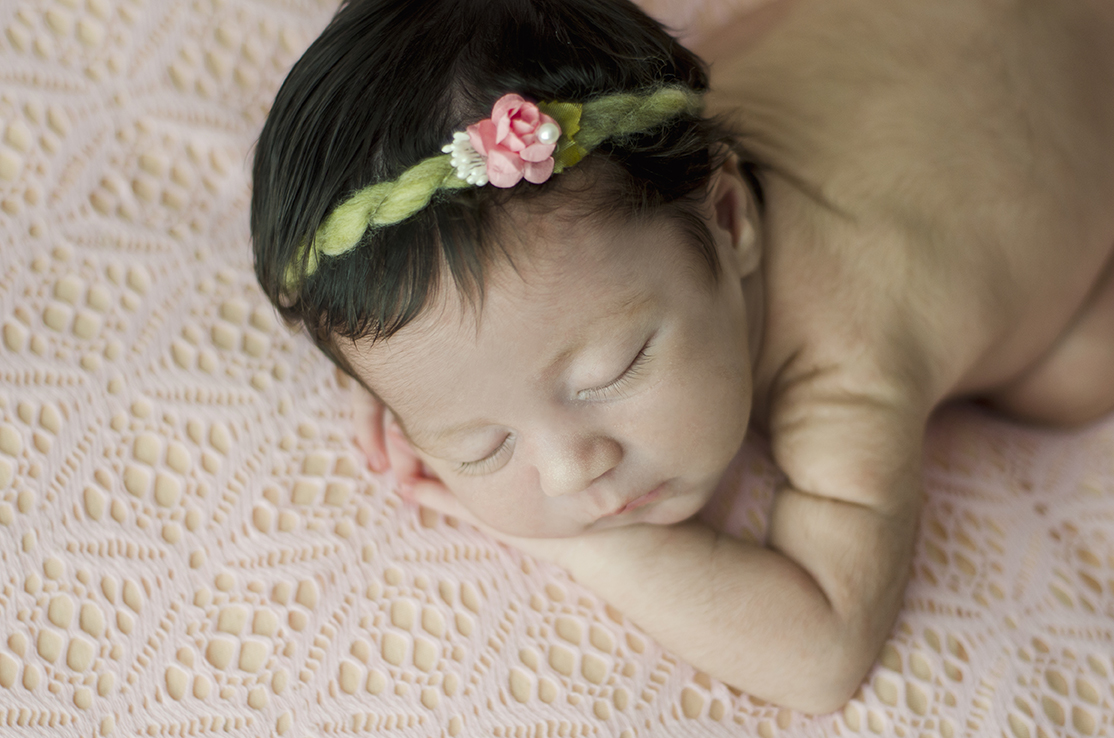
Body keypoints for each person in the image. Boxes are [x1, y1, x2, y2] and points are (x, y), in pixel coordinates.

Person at [249, 0, 1114, 713]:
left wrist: (581, 547)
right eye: (485, 445)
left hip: (1074, 91)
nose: (570, 473)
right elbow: (468, 328)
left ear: (729, 218)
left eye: (612, 372)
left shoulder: (848, 355)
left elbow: (821, 652)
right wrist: (425, 387)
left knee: (1075, 373)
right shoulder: (631, 158)